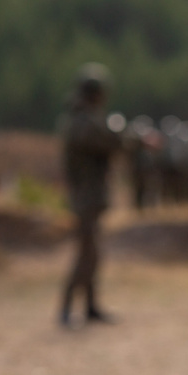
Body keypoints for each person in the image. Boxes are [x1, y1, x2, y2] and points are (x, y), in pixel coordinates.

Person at [59, 63, 122, 326]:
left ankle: (90, 307)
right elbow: (109, 141)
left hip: (89, 196)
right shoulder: (82, 123)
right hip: (85, 197)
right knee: (86, 254)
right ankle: (66, 308)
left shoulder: (84, 120)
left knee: (93, 254)